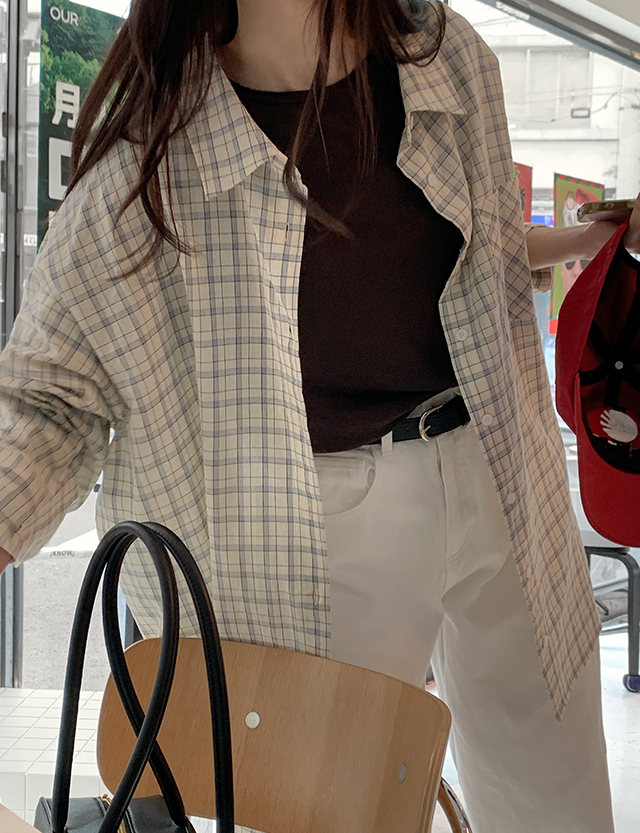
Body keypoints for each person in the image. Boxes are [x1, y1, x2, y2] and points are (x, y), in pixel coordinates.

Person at [0, 1, 638, 830]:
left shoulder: (446, 58)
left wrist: (592, 243)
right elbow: (51, 397)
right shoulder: (151, 155)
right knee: (333, 807)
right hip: (318, 515)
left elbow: (481, 248)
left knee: (557, 790)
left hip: (498, 456)